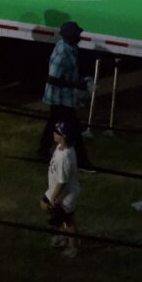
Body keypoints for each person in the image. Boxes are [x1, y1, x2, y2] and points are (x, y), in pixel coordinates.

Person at [39, 21, 96, 172]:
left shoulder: (71, 47)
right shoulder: (62, 53)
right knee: (74, 128)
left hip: (63, 96)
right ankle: (82, 161)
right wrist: (75, 85)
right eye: (77, 34)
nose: (80, 36)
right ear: (69, 36)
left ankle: (42, 151)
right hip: (60, 97)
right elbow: (52, 78)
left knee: (53, 123)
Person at [41, 120, 81, 258]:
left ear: (63, 137)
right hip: (56, 190)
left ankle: (73, 247)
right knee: (45, 206)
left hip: (66, 194)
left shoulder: (66, 157)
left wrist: (53, 198)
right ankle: (61, 236)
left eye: (57, 132)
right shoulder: (60, 147)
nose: (54, 133)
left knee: (69, 221)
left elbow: (62, 182)